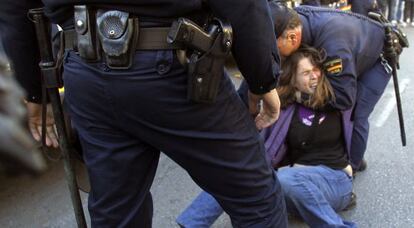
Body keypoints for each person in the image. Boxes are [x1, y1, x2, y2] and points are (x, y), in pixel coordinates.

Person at [0, 0, 288, 227]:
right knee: (257, 199)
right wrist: (262, 78)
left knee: (118, 216)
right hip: (171, 62)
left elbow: (16, 9)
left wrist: (34, 91)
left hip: (85, 69)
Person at [177, 46, 356, 228]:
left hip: (335, 181)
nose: (314, 76)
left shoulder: (337, 101)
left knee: (285, 177)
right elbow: (265, 149)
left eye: (316, 70)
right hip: (294, 187)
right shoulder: (284, 110)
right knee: (239, 170)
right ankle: (193, 223)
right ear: (293, 79)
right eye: (306, 72)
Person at [270, 2, 392, 172]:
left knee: (357, 112)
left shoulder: (334, 47)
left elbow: (343, 98)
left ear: (292, 37)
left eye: (273, 49)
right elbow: (265, 72)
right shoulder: (290, 20)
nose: (273, 54)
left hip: (378, 59)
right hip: (352, 46)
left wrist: (297, 96)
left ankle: (351, 170)